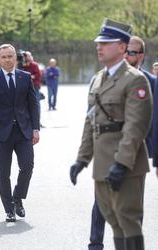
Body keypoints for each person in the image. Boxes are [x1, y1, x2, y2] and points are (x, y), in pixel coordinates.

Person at [70, 18, 152, 250]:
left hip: (125, 163)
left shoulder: (135, 80)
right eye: (98, 42)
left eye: (106, 42)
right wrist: (82, 159)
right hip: (102, 162)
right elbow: (91, 122)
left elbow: (136, 127)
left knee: (128, 220)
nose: (99, 46)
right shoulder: (98, 79)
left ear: (122, 47)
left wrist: (122, 163)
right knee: (114, 222)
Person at [87, 35, 157, 250]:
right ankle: (95, 243)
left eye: (133, 52)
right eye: (125, 51)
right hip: (107, 150)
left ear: (141, 56)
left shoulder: (151, 82)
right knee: (101, 202)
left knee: (133, 206)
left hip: (136, 154)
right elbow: (91, 116)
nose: (127, 56)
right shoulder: (102, 78)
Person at [0, 44, 40, 222]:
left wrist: (36, 128)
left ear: (15, 57)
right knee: (3, 173)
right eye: (4, 57)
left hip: (24, 131)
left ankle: (17, 197)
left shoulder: (25, 77)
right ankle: (9, 209)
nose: (8, 60)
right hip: (2, 133)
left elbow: (33, 104)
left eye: (10, 56)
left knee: (28, 165)